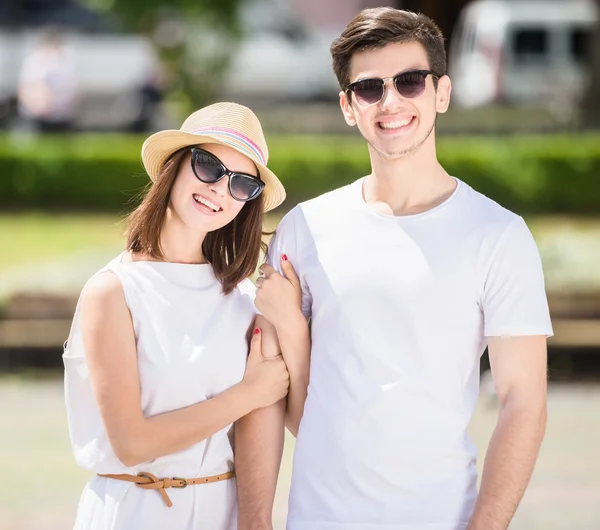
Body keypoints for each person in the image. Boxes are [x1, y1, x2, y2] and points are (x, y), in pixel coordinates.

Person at [250, 7, 553, 530]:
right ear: (348, 106)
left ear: (442, 92)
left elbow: (524, 402)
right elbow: (273, 395)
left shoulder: (498, 235)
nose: (390, 102)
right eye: (369, 88)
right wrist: (255, 521)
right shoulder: (305, 228)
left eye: (410, 81)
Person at [63, 101, 290, 529]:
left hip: (221, 513)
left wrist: (257, 521)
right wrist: (249, 393)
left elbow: (255, 432)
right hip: (132, 511)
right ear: (174, 166)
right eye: (208, 166)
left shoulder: (244, 301)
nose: (220, 189)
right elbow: (132, 443)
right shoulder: (113, 291)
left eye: (243, 184)